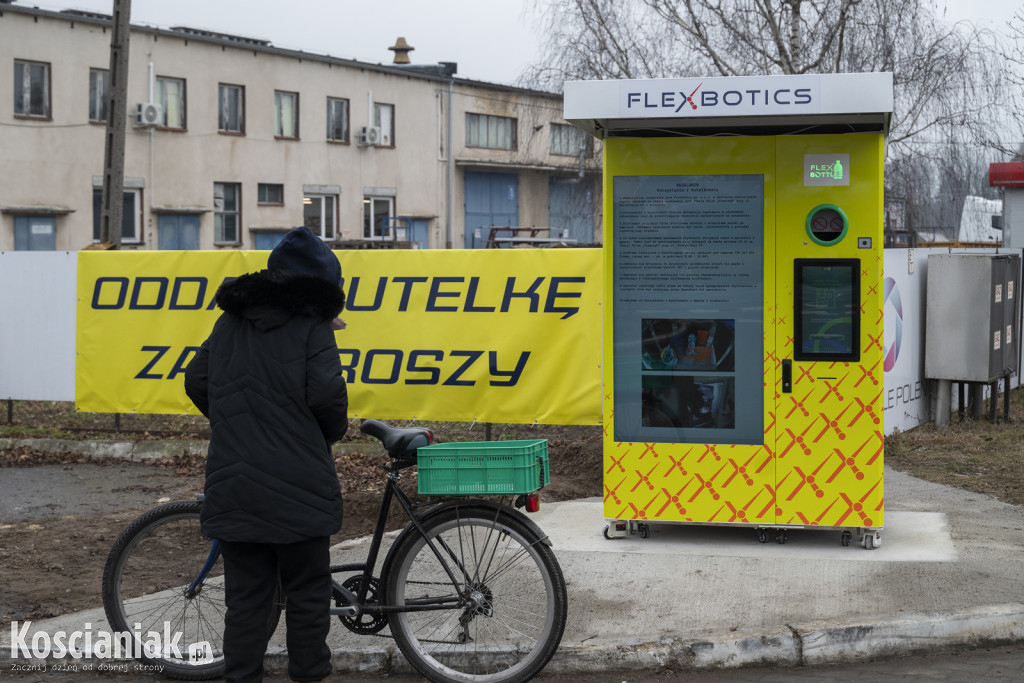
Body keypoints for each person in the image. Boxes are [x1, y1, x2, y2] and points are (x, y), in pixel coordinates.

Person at [184, 226, 348, 683]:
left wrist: (234, 425)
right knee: (308, 594)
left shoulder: (229, 322)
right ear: (319, 287)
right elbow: (328, 398)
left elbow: (196, 380)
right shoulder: (314, 328)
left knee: (246, 599)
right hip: (300, 486)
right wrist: (323, 439)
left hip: (235, 485)